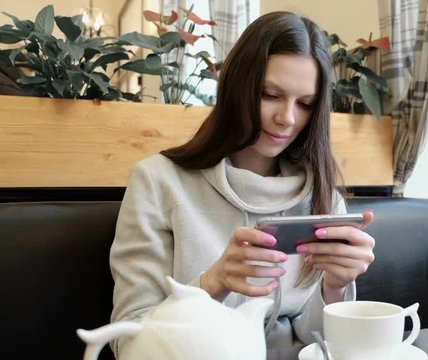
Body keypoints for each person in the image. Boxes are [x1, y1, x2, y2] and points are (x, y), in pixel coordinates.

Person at [109, 11, 376, 356]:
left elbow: (317, 341)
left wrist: (337, 288)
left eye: (305, 104)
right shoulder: (158, 182)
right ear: (237, 87)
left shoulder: (321, 195)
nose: (287, 118)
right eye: (269, 95)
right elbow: (130, 344)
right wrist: (212, 283)